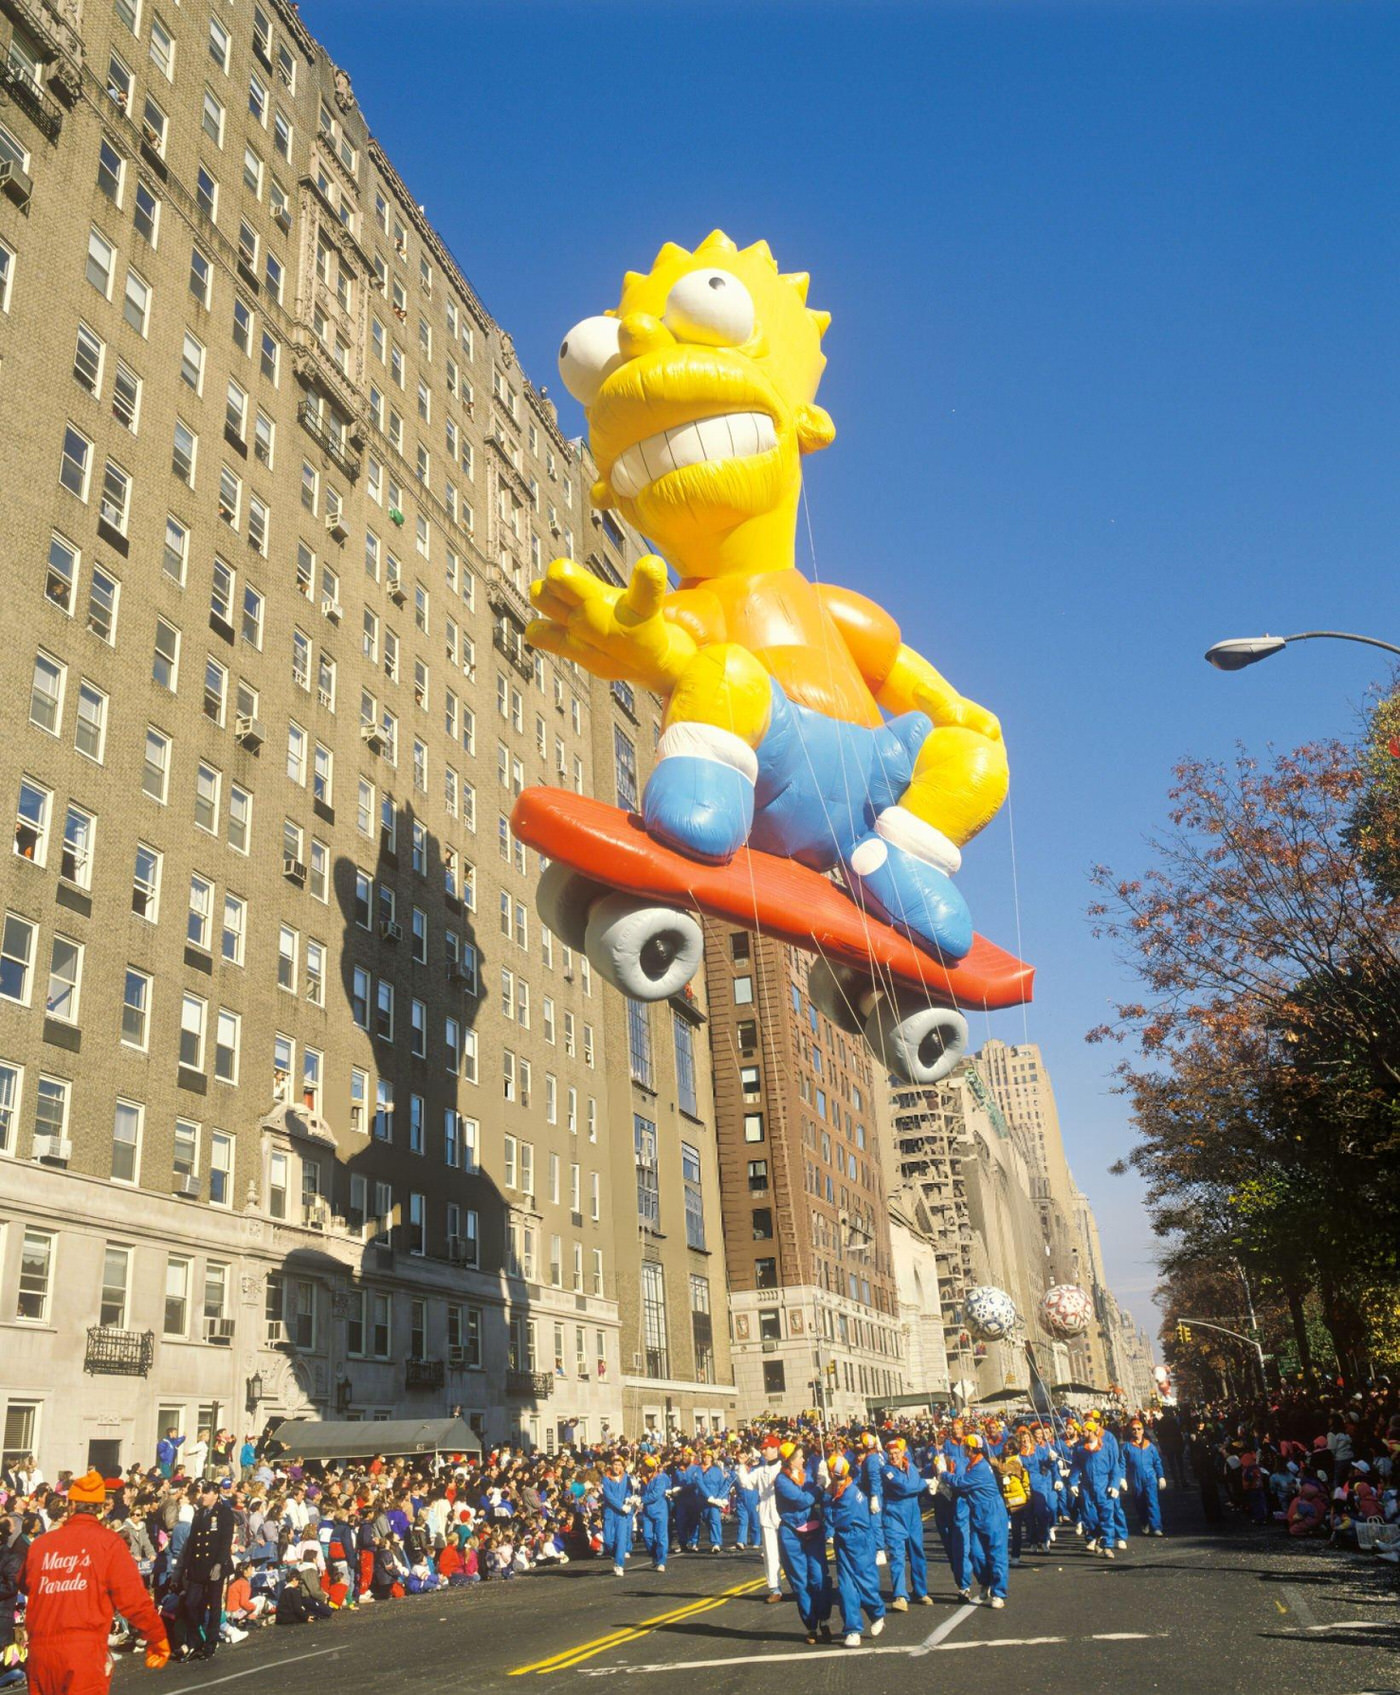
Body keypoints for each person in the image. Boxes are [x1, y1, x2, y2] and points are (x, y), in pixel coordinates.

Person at [20, 1469, 169, 1694]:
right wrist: (157, 1637)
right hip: (83, 1653)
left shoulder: (41, 1545)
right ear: (100, 1509)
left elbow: (24, 1583)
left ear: (70, 1506)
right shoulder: (109, 1544)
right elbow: (134, 1600)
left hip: (41, 1654)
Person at [941, 1434, 1009, 1607]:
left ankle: (999, 1593)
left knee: (996, 1552)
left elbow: (961, 1482)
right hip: (977, 1512)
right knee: (976, 1552)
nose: (964, 1449)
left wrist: (944, 1474)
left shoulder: (980, 1468)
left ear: (970, 1450)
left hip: (992, 1511)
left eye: (966, 1447)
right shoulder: (974, 1464)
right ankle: (985, 1581)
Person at [774, 1444, 832, 1645]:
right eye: (799, 1457)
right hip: (791, 1534)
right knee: (800, 1583)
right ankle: (811, 1626)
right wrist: (820, 1485)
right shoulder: (782, 1481)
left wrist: (825, 1478)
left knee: (819, 1578)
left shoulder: (806, 1475)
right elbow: (803, 1500)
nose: (803, 1460)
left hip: (813, 1532)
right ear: (789, 1460)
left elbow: (820, 1498)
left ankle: (824, 1619)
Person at [825, 1454, 885, 1647]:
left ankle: (877, 1613)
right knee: (846, 1588)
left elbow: (838, 1519)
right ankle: (853, 1629)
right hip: (844, 1541)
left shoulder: (849, 1495)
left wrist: (825, 1499)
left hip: (859, 1540)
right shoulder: (840, 1489)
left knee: (865, 1582)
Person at [177, 1478, 234, 1659]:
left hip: (214, 1566)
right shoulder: (199, 1513)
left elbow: (225, 1542)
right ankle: (195, 1639)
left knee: (214, 1604)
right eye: (202, 1493)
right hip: (197, 1567)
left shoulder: (224, 1513)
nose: (202, 1496)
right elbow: (193, 1542)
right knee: (191, 1603)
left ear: (215, 1495)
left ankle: (211, 1642)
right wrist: (186, 1567)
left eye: (206, 1493)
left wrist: (219, 1563)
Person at [881, 1436, 932, 1610]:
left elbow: (911, 1485)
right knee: (897, 1556)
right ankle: (900, 1595)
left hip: (913, 1517)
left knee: (918, 1554)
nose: (894, 1456)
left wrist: (921, 1483)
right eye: (890, 1453)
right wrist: (924, 1483)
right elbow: (904, 1488)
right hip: (894, 1518)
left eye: (896, 1452)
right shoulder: (886, 1470)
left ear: (903, 1453)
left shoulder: (912, 1469)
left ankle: (920, 1591)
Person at [752, 1436, 786, 1603]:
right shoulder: (760, 1471)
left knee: (791, 1553)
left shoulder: (785, 1468)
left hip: (785, 1516)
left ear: (775, 1449)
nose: (763, 1451)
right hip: (767, 1516)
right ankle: (775, 1589)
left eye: (766, 1448)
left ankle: (802, 1586)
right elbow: (746, 1483)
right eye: (762, 1448)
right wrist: (740, 1466)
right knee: (771, 1554)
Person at [1123, 1419, 1166, 1536]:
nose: (1136, 1431)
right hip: (1135, 1479)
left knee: (1153, 1502)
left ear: (1142, 1430)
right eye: (1133, 1429)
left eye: (1139, 1429)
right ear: (1131, 1431)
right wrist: (1122, 1478)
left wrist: (1161, 1476)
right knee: (1139, 1502)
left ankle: (1156, 1527)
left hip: (1150, 1477)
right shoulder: (1127, 1447)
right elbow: (1122, 1464)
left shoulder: (1150, 1446)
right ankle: (1144, 1522)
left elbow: (1157, 1462)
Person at [600, 1456, 636, 1577]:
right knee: (608, 1540)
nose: (617, 1467)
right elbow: (608, 1496)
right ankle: (615, 1554)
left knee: (621, 1539)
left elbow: (629, 1490)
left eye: (619, 1465)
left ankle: (619, 1564)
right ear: (611, 1465)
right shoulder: (606, 1479)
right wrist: (621, 1506)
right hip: (610, 1512)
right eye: (615, 1464)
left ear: (622, 1466)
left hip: (622, 1514)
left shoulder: (626, 1477)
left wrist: (628, 1497)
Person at [639, 1456, 671, 1573]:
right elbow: (641, 1492)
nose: (646, 1469)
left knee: (661, 1537)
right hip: (647, 1512)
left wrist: (641, 1499)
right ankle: (654, 1555)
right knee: (647, 1536)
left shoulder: (660, 1478)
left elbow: (656, 1494)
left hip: (660, 1511)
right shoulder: (643, 1480)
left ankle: (661, 1561)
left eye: (647, 1467)